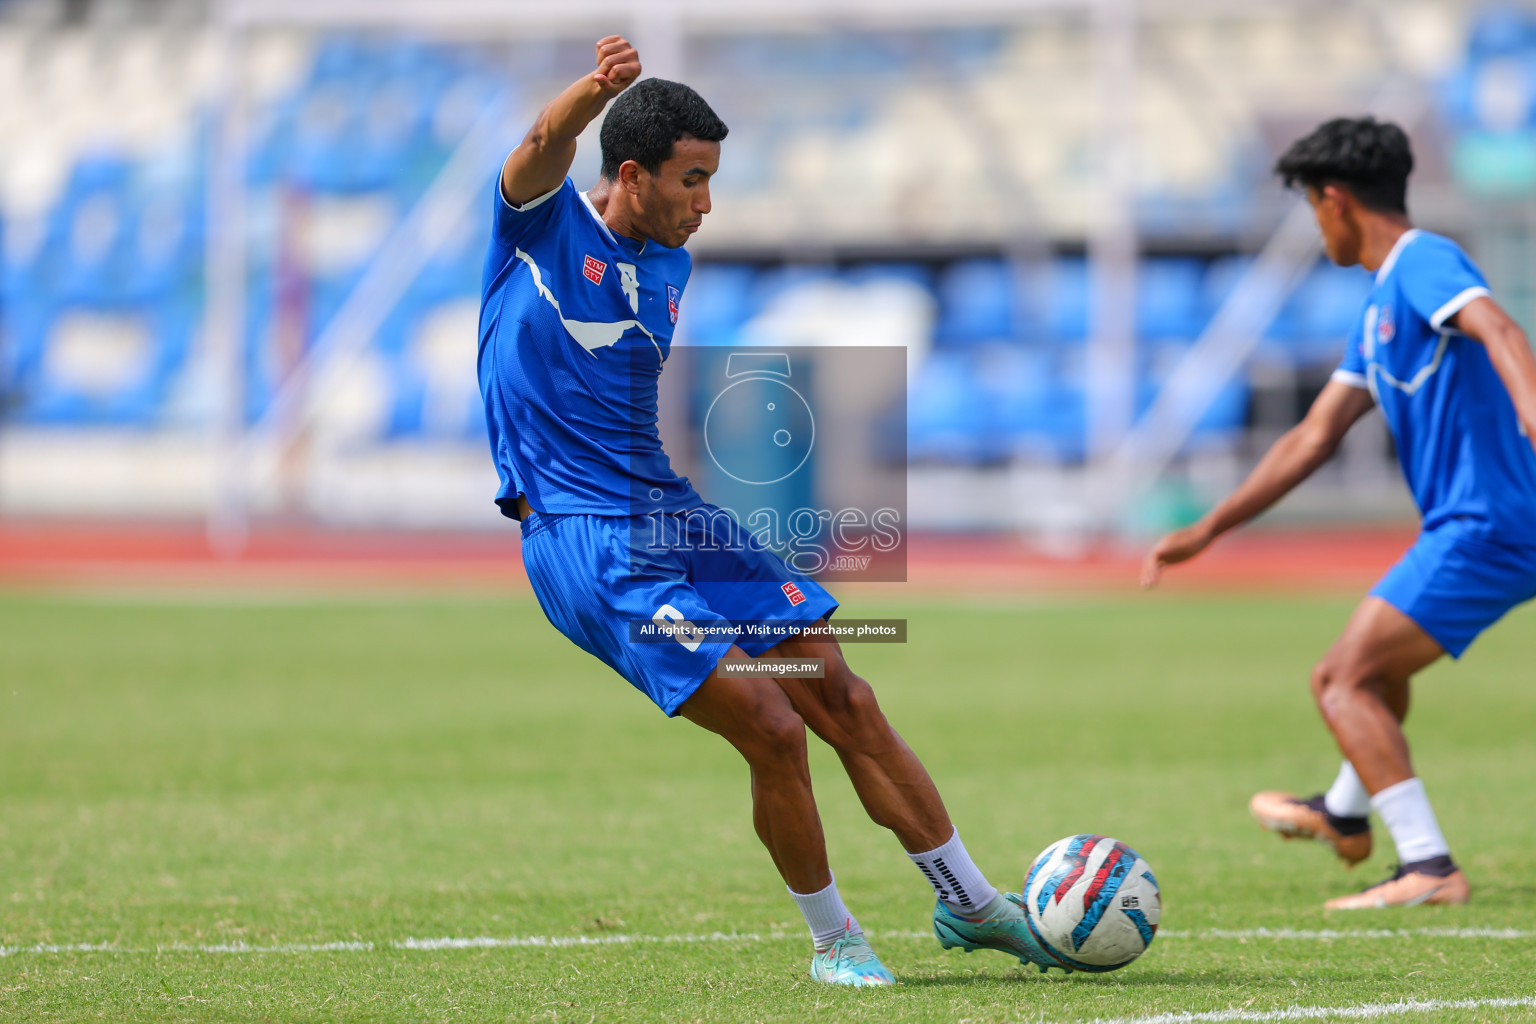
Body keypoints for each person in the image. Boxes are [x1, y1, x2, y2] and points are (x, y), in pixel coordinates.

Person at [478, 36, 1067, 984]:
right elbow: (541, 145)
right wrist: (594, 90)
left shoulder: (670, 265)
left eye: (713, 179)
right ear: (631, 175)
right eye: (692, 180)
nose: (707, 205)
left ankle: (971, 902)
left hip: (675, 521)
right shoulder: (539, 232)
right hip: (589, 545)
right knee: (771, 722)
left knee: (841, 694)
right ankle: (837, 940)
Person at [1142, 116, 1536, 909]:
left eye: (1310, 208)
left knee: (1341, 678)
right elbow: (1314, 436)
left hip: (1487, 521)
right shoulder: (1380, 308)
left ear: (1333, 200)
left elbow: (1496, 324)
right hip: (1478, 524)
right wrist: (1210, 527)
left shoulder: (1422, 261)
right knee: (1376, 672)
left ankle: (1427, 866)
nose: (1315, 225)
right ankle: (1347, 811)